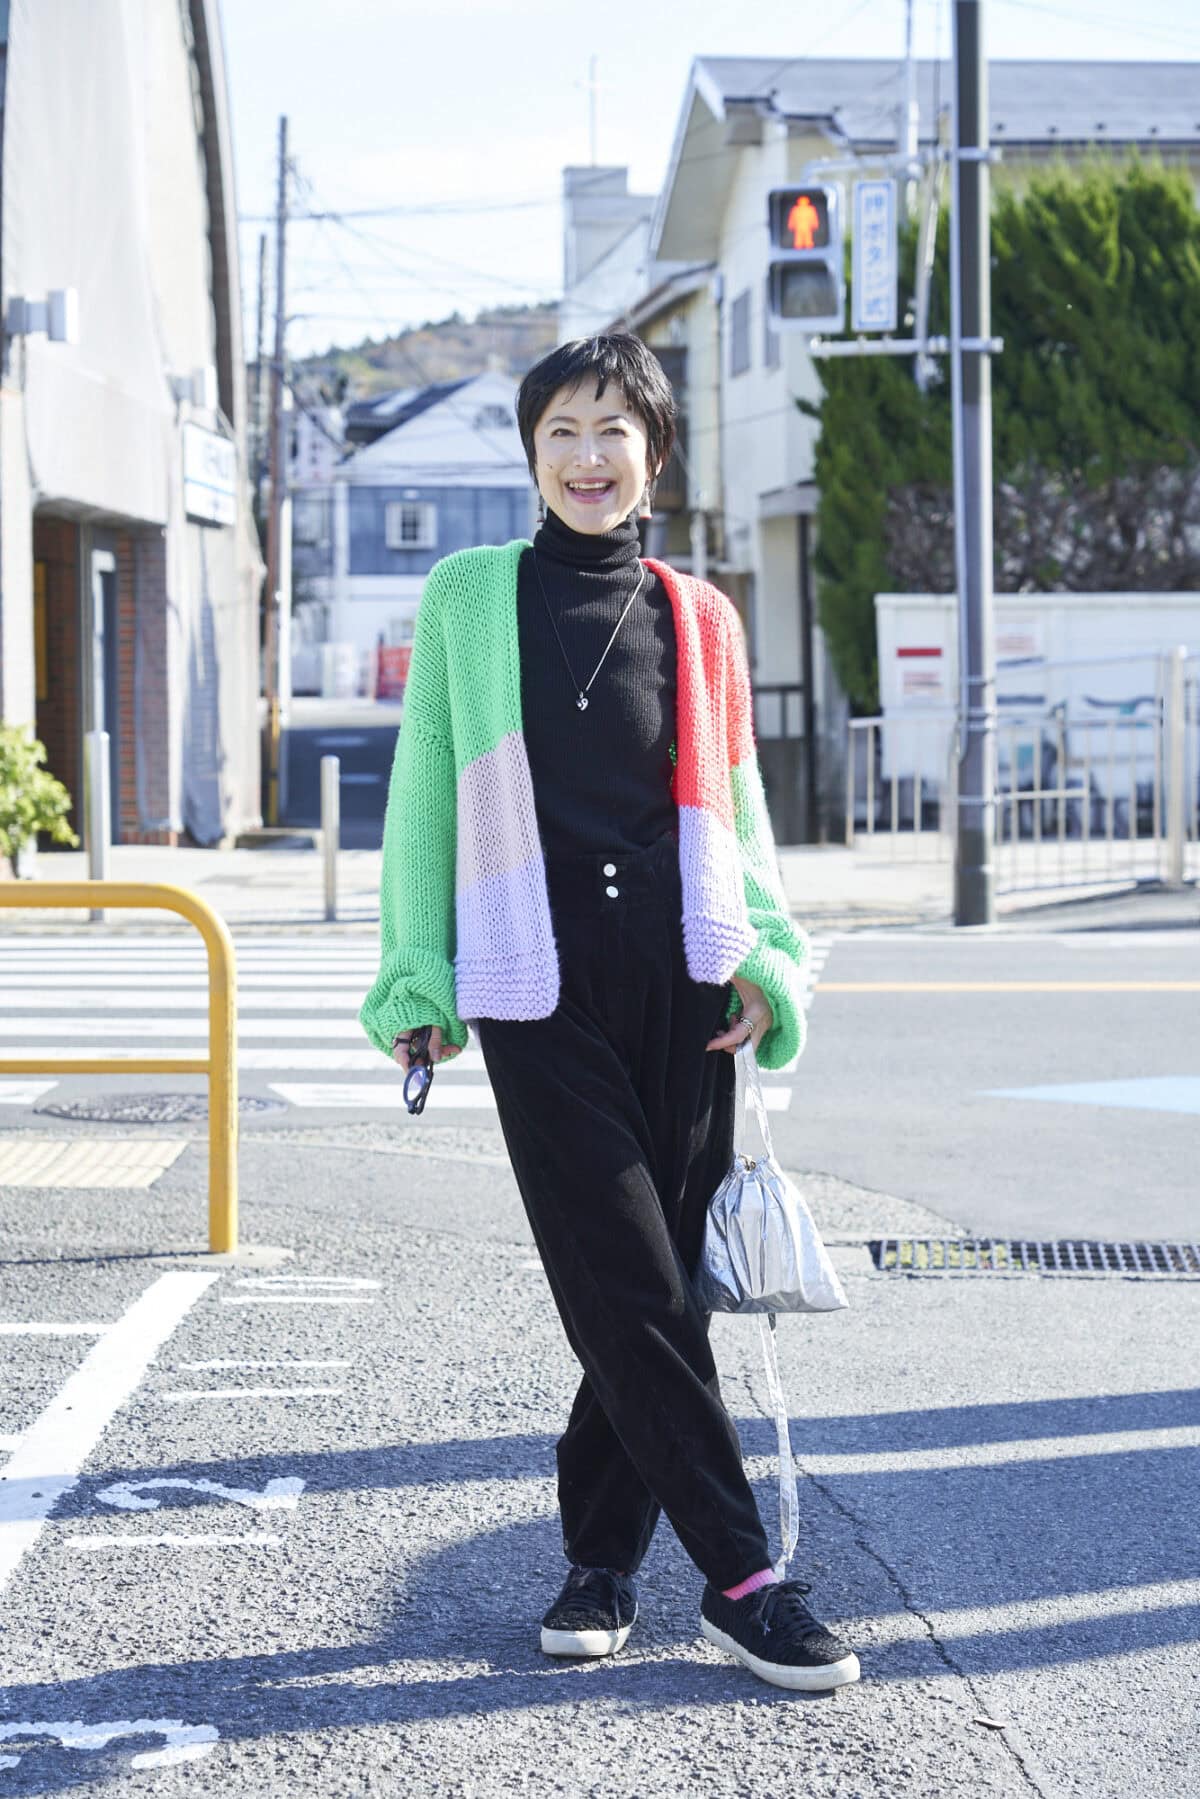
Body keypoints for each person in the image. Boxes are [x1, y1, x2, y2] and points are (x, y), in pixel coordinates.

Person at [360, 333, 860, 1693]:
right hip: (538, 983)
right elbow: (424, 795)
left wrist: (763, 958)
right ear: (532, 455)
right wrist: (416, 976)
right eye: (562, 433)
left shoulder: (701, 616)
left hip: (684, 980)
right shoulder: (472, 597)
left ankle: (598, 1561)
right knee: (627, 1276)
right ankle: (743, 1578)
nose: (588, 458)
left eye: (613, 432)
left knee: (654, 1289)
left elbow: (738, 803)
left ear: (655, 453)